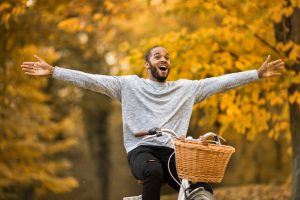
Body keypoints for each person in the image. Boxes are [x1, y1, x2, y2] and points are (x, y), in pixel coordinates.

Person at [21, 46, 285, 200]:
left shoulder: (185, 89)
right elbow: (91, 80)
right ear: (147, 64)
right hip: (141, 149)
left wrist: (257, 74)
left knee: (201, 189)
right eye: (158, 56)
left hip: (174, 152)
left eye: (167, 57)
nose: (164, 59)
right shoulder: (128, 85)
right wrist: (54, 71)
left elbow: (219, 83)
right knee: (153, 171)